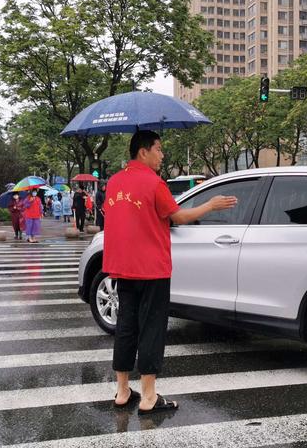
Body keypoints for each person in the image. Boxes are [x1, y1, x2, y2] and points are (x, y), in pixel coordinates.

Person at [103, 130, 237, 415]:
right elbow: (179, 216)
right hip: (152, 269)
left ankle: (123, 390)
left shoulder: (114, 183)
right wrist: (210, 205)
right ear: (144, 151)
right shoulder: (154, 183)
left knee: (126, 328)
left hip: (122, 267)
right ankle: (149, 396)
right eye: (159, 149)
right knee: (151, 329)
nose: (162, 156)